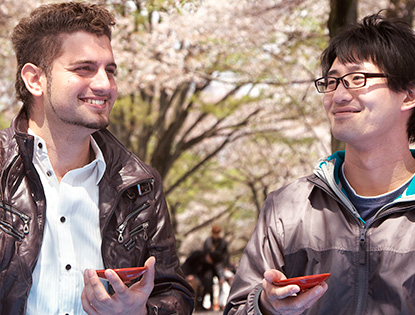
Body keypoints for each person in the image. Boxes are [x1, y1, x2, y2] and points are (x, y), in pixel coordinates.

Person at [0, 2, 194, 314]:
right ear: (35, 80)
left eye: (110, 70)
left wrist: (140, 311)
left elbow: (174, 294)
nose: (105, 85)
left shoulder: (140, 184)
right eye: (84, 68)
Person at [225, 13, 415, 315]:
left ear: (408, 95)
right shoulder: (287, 208)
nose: (338, 96)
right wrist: (265, 305)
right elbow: (237, 308)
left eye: (357, 79)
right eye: (331, 81)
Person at [202, 225, 229, 310]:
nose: (216, 235)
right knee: (209, 284)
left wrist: (225, 266)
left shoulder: (223, 242)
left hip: (219, 266)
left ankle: (221, 303)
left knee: (222, 282)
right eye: (215, 233)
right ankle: (211, 303)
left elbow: (226, 255)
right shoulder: (208, 241)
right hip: (209, 266)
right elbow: (204, 253)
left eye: (217, 233)